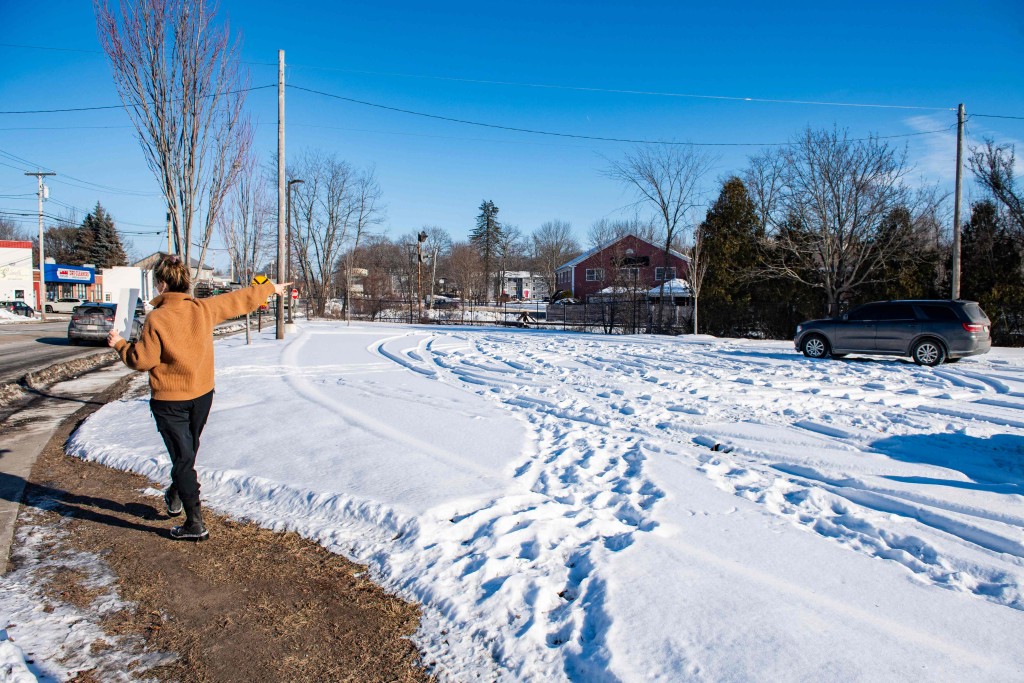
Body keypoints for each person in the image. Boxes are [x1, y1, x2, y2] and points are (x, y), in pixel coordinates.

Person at [107, 254, 289, 541]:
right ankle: (178, 492)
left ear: (162, 285)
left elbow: (142, 360)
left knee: (182, 458)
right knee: (187, 455)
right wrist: (270, 289)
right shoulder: (202, 309)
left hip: (169, 400)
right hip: (202, 395)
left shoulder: (157, 318)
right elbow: (237, 300)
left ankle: (194, 523)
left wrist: (119, 345)